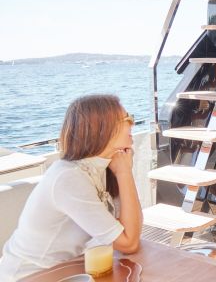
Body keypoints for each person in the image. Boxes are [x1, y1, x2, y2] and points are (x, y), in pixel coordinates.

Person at [0, 95, 142, 280]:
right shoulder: (69, 177)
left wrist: (122, 171)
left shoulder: (103, 167)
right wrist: (125, 173)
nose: (132, 124)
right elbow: (128, 243)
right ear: (101, 128)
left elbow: (130, 231)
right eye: (127, 119)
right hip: (30, 275)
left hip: (70, 269)